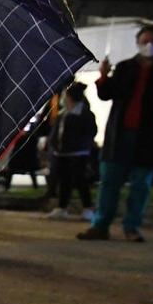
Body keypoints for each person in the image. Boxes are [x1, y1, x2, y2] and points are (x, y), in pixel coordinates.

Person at [77, 25, 153, 243]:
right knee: (109, 182)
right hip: (120, 135)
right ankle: (100, 225)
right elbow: (107, 94)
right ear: (138, 43)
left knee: (141, 184)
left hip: (150, 137)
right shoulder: (125, 67)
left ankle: (132, 226)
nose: (148, 45)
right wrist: (103, 77)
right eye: (145, 41)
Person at [45, 82, 97, 218]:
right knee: (64, 180)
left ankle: (87, 207)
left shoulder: (85, 114)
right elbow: (56, 133)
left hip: (78, 153)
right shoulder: (63, 114)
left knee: (80, 180)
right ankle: (62, 207)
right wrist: (54, 144)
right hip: (62, 152)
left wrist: (81, 144)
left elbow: (90, 132)